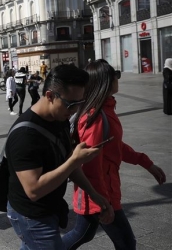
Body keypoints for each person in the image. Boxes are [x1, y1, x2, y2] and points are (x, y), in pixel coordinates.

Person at [62, 59, 166, 250]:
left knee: (82, 234)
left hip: (99, 191)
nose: (118, 77)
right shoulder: (96, 118)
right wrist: (103, 202)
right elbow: (91, 165)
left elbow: (114, 146)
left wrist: (146, 163)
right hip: (101, 193)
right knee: (126, 243)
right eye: (115, 74)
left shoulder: (104, 111)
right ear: (106, 81)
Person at [6, 64, 113, 249]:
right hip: (31, 215)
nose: (74, 110)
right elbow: (33, 190)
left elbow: (70, 166)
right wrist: (74, 160)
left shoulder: (59, 119)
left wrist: (94, 194)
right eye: (71, 104)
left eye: (80, 103)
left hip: (50, 208)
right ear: (49, 96)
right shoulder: (25, 135)